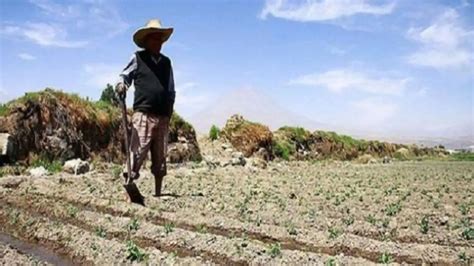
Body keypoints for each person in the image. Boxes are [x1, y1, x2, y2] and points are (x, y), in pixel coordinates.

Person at [115, 19, 175, 197]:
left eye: (160, 39)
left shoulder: (166, 63)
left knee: (160, 157)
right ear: (147, 40)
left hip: (162, 116)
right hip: (143, 114)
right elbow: (124, 76)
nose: (158, 42)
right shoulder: (137, 58)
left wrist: (170, 108)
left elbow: (171, 88)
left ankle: (158, 193)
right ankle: (129, 187)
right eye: (154, 39)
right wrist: (121, 86)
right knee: (137, 152)